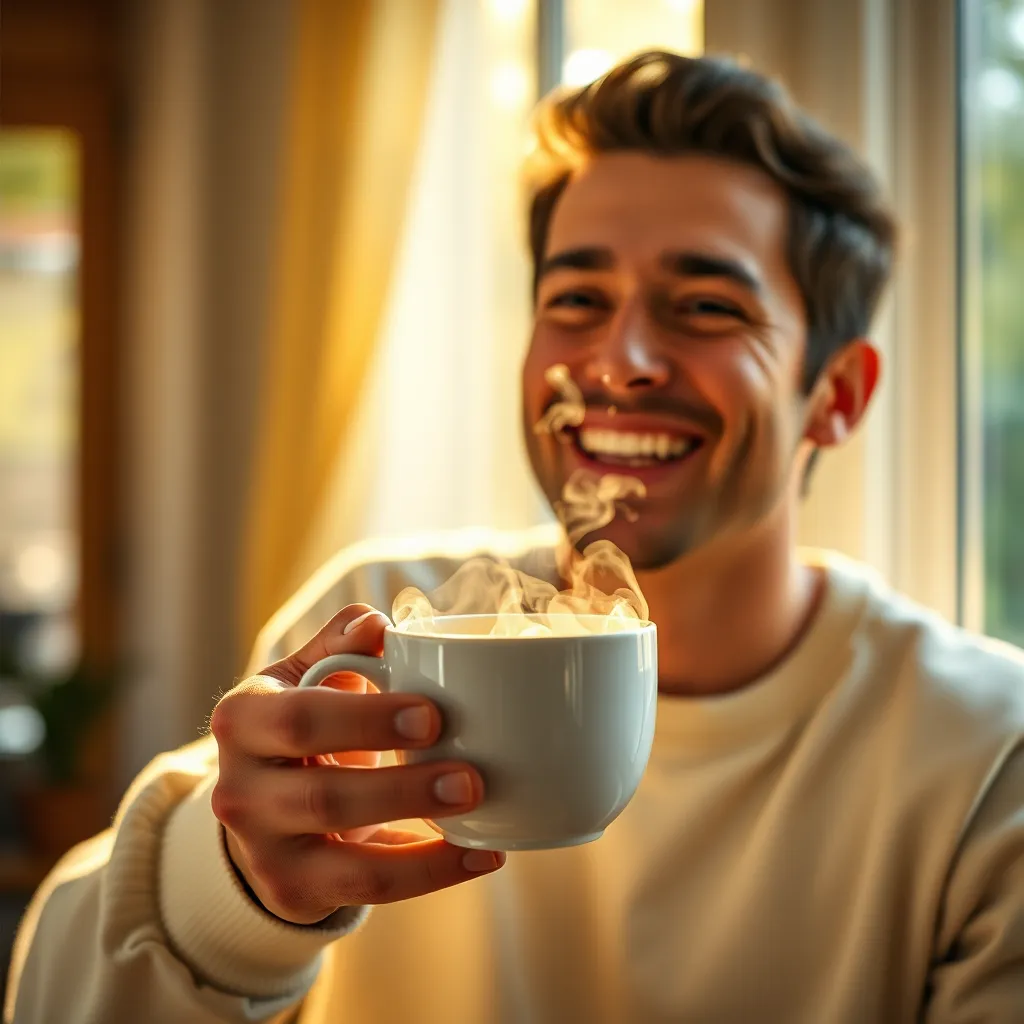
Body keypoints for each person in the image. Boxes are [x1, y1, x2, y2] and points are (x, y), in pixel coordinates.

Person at [6, 50, 1024, 1024]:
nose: (618, 362)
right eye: (576, 300)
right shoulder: (378, 622)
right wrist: (235, 893)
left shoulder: (981, 754)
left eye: (706, 306)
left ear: (835, 395)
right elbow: (55, 993)